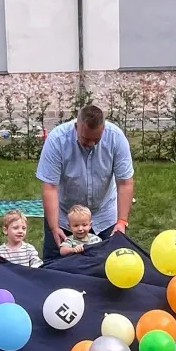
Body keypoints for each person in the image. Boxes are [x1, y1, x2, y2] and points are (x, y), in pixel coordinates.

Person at [36, 105, 135, 262]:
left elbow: (124, 183)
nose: (91, 144)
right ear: (77, 127)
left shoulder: (116, 138)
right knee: (54, 267)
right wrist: (54, 227)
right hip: (64, 217)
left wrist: (122, 221)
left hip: (104, 215)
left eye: (96, 139)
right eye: (86, 139)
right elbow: (50, 187)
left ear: (103, 129)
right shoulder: (57, 140)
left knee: (110, 267)